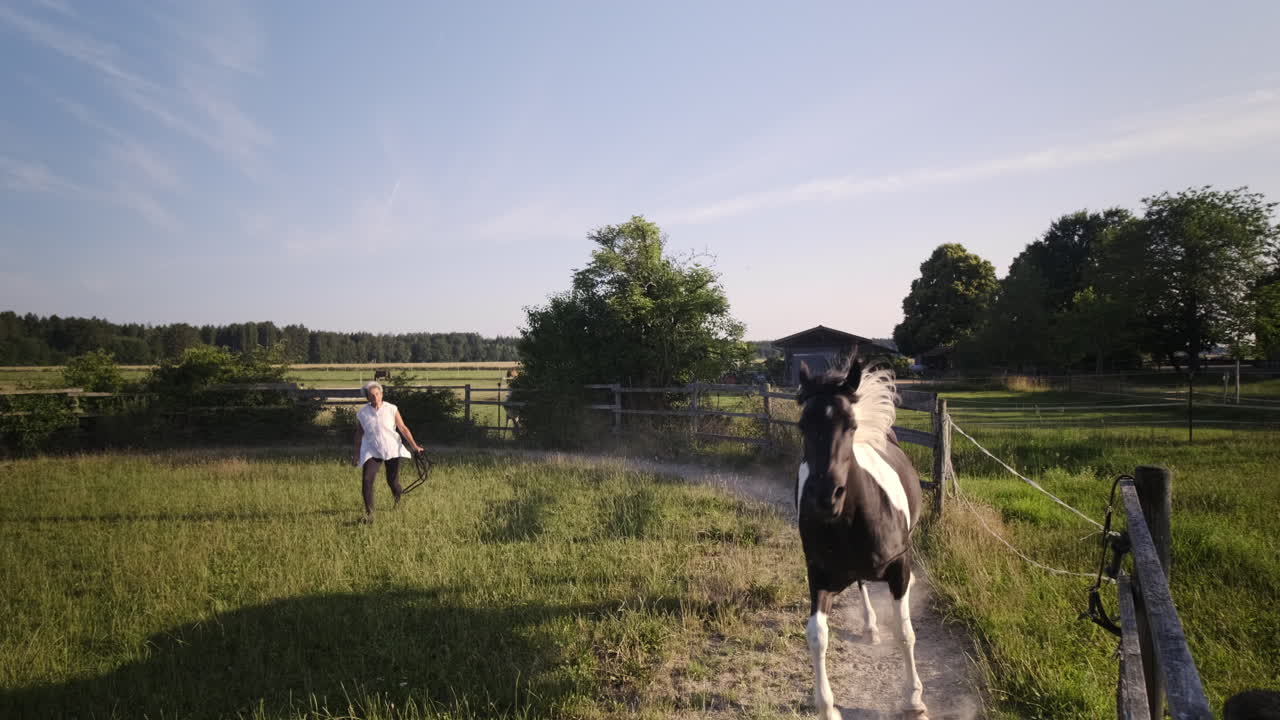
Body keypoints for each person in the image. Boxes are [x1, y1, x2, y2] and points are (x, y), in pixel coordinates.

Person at [351, 381, 423, 524]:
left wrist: (415, 446)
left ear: (381, 394)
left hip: (391, 448)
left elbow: (402, 428)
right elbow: (359, 434)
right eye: (372, 395)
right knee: (366, 480)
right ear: (367, 397)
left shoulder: (391, 409)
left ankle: (398, 500)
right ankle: (369, 514)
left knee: (392, 481)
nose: (375, 397)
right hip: (372, 450)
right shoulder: (363, 413)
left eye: (377, 394)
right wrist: (356, 453)